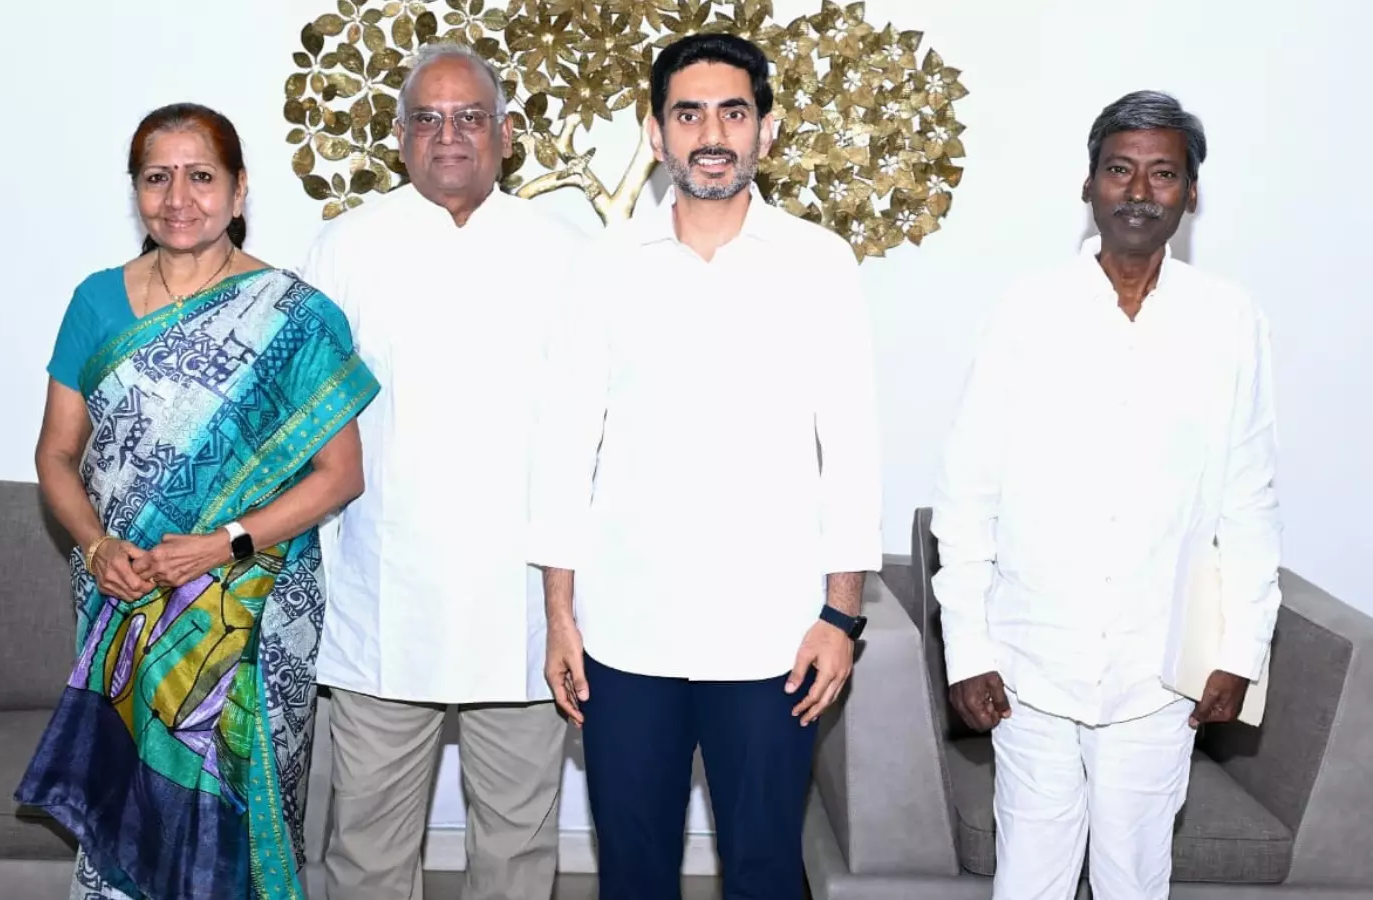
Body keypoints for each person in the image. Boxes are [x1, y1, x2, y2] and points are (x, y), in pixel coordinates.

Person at [528, 32, 884, 900]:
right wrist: (561, 617)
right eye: (689, 115)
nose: (712, 134)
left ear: (766, 129)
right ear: (656, 134)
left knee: (765, 871)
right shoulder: (603, 265)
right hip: (626, 635)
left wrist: (840, 617)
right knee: (633, 873)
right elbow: (564, 446)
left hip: (773, 638)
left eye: (734, 112)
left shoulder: (818, 262)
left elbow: (852, 448)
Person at [15, 102, 378, 900]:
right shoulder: (96, 302)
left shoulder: (297, 317)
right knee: (131, 805)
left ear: (240, 191)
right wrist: (96, 546)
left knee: (240, 816)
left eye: (201, 176)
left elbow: (339, 475)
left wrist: (223, 544)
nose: (178, 198)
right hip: (128, 597)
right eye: (157, 178)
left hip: (253, 604)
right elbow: (56, 454)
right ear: (136, 192)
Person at [930, 90, 1282, 900]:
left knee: (1134, 879)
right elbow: (968, 493)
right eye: (1120, 170)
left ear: (1191, 193)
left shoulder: (1228, 320)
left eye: (1164, 174)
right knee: (1030, 880)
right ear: (1088, 184)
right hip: (1029, 664)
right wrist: (969, 651)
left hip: (1158, 675)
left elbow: (1250, 500)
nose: (1140, 191)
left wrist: (1240, 654)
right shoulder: (1028, 310)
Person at [299, 42, 580, 900]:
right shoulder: (342, 250)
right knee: (367, 855)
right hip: (383, 603)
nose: (448, 135)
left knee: (518, 852)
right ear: (399, 137)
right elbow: (304, 426)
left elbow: (588, 434)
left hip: (521, 611)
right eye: (427, 118)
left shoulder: (567, 253)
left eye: (468, 117)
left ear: (505, 133)